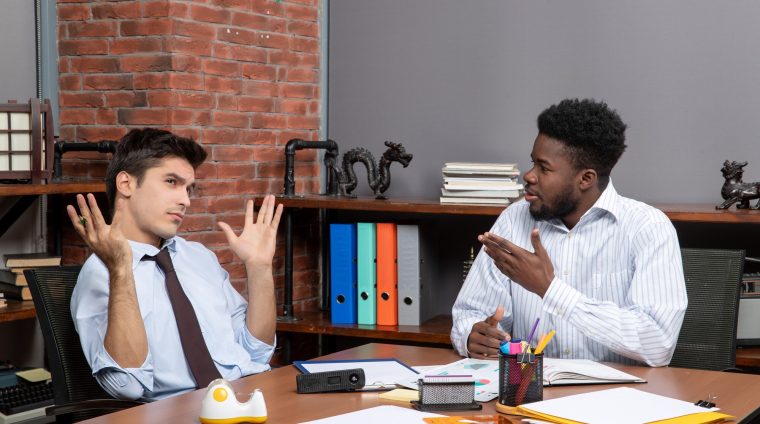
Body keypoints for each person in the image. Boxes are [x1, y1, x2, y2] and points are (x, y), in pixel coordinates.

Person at [451, 99, 687, 367]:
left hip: (619, 398)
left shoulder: (648, 228)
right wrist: (473, 335)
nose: (529, 176)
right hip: (532, 393)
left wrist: (549, 289)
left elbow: (657, 344)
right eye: (532, 163)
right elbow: (470, 312)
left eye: (544, 168)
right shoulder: (514, 220)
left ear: (585, 179)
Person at [68, 128, 283, 401]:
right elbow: (126, 386)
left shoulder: (199, 257)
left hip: (245, 397)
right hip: (179, 412)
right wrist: (121, 269)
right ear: (126, 184)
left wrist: (260, 267)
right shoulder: (101, 272)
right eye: (172, 182)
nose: (186, 200)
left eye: (189, 188)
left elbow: (256, 352)